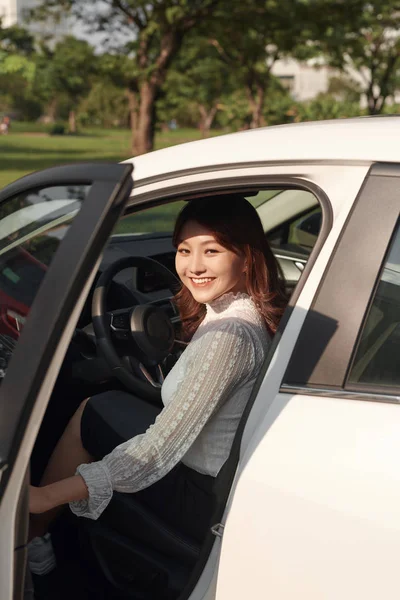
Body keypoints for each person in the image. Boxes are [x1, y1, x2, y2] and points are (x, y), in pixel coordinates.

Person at [28, 194, 287, 575]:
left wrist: (43, 496)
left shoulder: (229, 335)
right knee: (99, 406)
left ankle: (28, 540)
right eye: (184, 250)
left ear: (247, 257)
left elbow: (158, 450)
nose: (193, 266)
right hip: (211, 475)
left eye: (211, 251)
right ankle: (36, 537)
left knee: (92, 411)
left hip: (200, 496)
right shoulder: (237, 310)